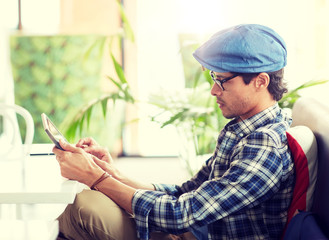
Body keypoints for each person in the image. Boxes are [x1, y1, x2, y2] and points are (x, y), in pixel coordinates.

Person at [54, 24, 294, 240]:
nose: (213, 90)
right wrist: (112, 173)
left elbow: (180, 215)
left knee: (81, 208)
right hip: (192, 232)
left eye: (222, 80)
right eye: (213, 78)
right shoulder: (242, 130)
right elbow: (185, 193)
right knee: (80, 202)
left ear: (260, 82)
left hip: (189, 230)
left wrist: (96, 178)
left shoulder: (266, 145)